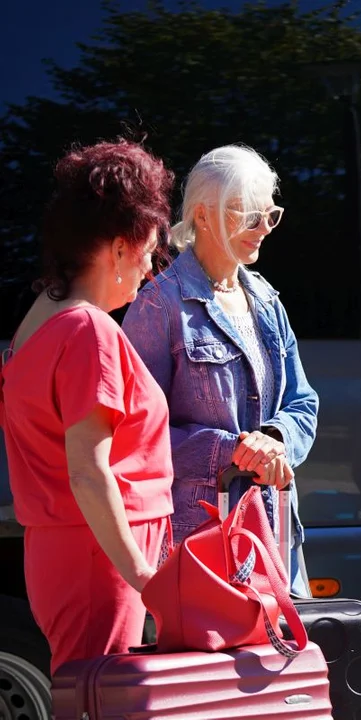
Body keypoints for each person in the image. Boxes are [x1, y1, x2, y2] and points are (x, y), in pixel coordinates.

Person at [0, 140, 175, 672]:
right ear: (119, 247)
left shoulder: (38, 325)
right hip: (101, 557)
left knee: (84, 694)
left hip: (69, 550)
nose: (149, 272)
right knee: (100, 700)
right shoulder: (89, 330)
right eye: (147, 253)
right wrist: (143, 576)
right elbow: (89, 473)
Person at [123, 145, 318, 595]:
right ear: (203, 217)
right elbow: (136, 438)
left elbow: (303, 403)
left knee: (285, 662)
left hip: (275, 535)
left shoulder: (267, 300)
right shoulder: (159, 304)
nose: (264, 228)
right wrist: (233, 449)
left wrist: (273, 439)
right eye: (247, 215)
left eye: (270, 214)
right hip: (199, 540)